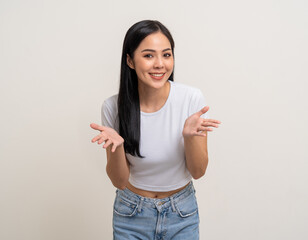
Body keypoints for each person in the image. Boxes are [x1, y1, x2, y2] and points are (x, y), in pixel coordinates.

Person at [90, 20, 221, 240]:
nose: (160, 64)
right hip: (131, 214)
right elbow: (119, 181)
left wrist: (189, 137)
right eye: (149, 55)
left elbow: (198, 172)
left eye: (166, 55)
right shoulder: (113, 107)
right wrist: (118, 147)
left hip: (182, 213)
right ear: (130, 61)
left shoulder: (191, 99)